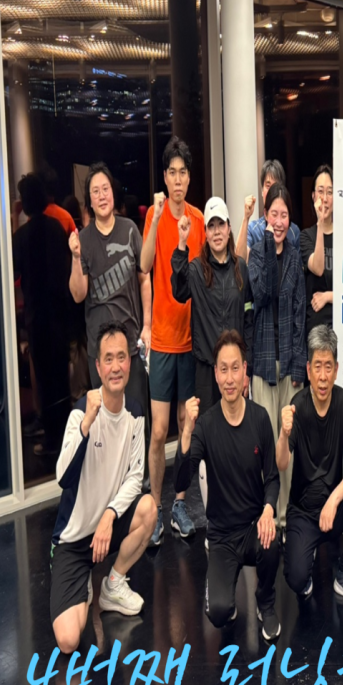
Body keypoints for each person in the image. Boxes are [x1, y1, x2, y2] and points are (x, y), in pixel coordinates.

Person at [50, 321, 157, 655]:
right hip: (74, 540)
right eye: (108, 359)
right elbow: (62, 477)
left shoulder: (135, 413)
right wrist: (86, 425)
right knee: (69, 640)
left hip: (108, 527)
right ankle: (83, 581)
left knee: (149, 508)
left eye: (121, 357)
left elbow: (136, 476)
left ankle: (113, 584)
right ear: (98, 366)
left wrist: (110, 515)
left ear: (130, 363)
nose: (116, 366)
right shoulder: (81, 414)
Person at [174, 330, 281, 640]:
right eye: (224, 369)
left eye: (236, 368)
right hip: (221, 536)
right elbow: (181, 480)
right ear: (216, 374)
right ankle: (225, 591)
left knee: (272, 541)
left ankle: (265, 601)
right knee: (219, 614)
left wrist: (268, 510)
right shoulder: (206, 426)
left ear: (245, 371)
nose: (230, 378)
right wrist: (186, 432)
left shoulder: (260, 418)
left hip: (253, 527)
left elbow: (272, 477)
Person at [141, 136, 205, 545]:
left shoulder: (198, 219)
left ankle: (180, 502)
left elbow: (210, 270)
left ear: (188, 177)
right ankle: (155, 509)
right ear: (164, 177)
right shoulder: (156, 213)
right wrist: (156, 219)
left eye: (183, 173)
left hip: (191, 341)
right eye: (172, 173)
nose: (178, 180)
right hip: (163, 341)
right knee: (159, 429)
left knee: (185, 425)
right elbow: (144, 264)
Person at [277, 325, 343, 608]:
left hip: (332, 509)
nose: (323, 375)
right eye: (317, 366)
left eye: (328, 366)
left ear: (336, 370)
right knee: (296, 580)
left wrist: (333, 500)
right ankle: (307, 553)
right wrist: (283, 433)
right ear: (308, 370)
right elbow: (282, 463)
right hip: (303, 512)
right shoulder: (298, 405)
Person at [69, 162, 151, 439]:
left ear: (113, 194)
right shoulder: (84, 240)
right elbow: (78, 294)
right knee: (105, 426)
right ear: (89, 201)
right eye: (95, 191)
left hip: (131, 346)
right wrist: (76, 256)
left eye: (105, 189)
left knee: (137, 420)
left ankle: (140, 468)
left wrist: (147, 326)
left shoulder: (130, 230)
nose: (102, 195)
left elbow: (144, 279)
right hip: (100, 350)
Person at [248, 182, 307, 524]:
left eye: (284, 215)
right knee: (266, 440)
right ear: (266, 217)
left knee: (288, 439)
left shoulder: (296, 257)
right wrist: (269, 247)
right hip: (262, 363)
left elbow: (300, 313)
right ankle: (269, 512)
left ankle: (286, 514)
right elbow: (263, 294)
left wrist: (299, 364)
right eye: (274, 214)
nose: (280, 221)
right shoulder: (257, 253)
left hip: (289, 363)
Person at [171, 196, 253, 413]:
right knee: (208, 428)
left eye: (221, 224)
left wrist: (247, 367)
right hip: (206, 370)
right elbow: (179, 292)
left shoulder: (241, 268)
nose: (217, 232)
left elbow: (249, 319)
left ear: (229, 228)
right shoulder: (197, 269)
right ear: (205, 233)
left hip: (234, 368)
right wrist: (182, 243)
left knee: (236, 425)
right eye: (211, 226)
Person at [12, 174, 72, 456]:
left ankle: (51, 441)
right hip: (60, 313)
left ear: (25, 203)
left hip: (37, 317)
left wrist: (15, 221)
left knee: (45, 382)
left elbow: (12, 269)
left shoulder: (23, 235)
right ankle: (68, 438)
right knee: (61, 378)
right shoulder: (57, 228)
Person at [237, 159, 301, 261]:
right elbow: (240, 261)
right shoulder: (254, 230)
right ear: (262, 190)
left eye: (276, 186)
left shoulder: (294, 231)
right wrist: (246, 218)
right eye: (268, 186)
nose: (272, 191)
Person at [300, 164, 334, 333]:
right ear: (313, 196)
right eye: (321, 191)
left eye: (330, 192)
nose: (325, 198)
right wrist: (320, 223)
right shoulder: (306, 236)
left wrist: (328, 296)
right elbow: (318, 268)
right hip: (315, 329)